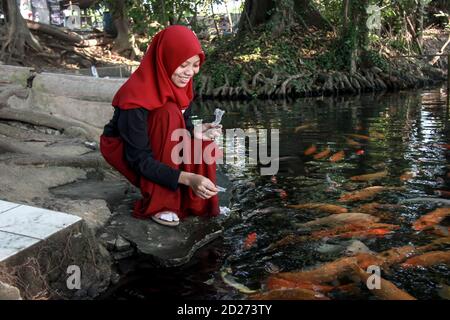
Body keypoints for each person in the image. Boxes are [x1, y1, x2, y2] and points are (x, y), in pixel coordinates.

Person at [100, 25, 222, 227]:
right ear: (166, 59)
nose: (189, 72)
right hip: (125, 150)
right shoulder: (135, 97)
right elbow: (139, 159)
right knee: (168, 113)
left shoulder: (181, 85)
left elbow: (183, 127)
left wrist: (196, 132)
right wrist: (188, 177)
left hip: (161, 138)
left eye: (195, 65)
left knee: (203, 145)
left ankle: (194, 202)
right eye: (183, 65)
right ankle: (161, 203)